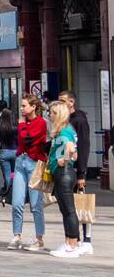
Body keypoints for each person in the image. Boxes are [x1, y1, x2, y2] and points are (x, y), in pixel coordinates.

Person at [8, 93, 48, 252]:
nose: (22, 109)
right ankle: (17, 235)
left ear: (34, 107)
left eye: (24, 106)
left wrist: (22, 125)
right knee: (16, 203)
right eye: (22, 105)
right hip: (20, 162)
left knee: (36, 204)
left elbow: (27, 138)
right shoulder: (25, 122)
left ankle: (39, 238)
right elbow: (23, 139)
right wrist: (22, 126)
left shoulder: (41, 123)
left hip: (34, 163)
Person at [56, 91, 93, 254]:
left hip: (75, 169)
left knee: (82, 205)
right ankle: (73, 239)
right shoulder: (64, 121)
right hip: (67, 167)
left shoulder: (79, 120)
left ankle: (86, 240)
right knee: (71, 206)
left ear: (71, 102)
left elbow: (84, 147)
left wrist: (82, 174)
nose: (60, 103)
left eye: (62, 101)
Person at [47, 100, 82, 258]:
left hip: (64, 173)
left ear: (59, 114)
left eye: (52, 113)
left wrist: (64, 159)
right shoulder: (64, 129)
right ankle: (69, 241)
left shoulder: (65, 130)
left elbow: (72, 149)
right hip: (62, 173)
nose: (50, 116)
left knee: (68, 211)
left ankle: (72, 244)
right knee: (65, 210)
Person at [0, 104, 18, 202]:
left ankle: (9, 194)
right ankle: (16, 193)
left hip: (4, 152)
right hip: (15, 152)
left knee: (7, 175)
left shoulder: (0, 127)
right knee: (14, 173)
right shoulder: (15, 127)